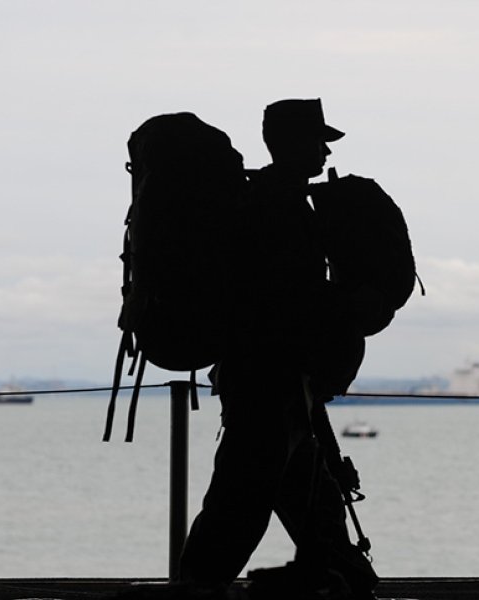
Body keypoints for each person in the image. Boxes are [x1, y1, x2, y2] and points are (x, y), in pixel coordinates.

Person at [176, 99, 376, 600]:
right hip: (270, 383)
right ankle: (194, 592)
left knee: (313, 508)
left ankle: (346, 581)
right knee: (240, 507)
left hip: (281, 385)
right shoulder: (274, 206)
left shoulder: (277, 200)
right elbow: (282, 299)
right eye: (316, 140)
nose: (325, 151)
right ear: (288, 144)